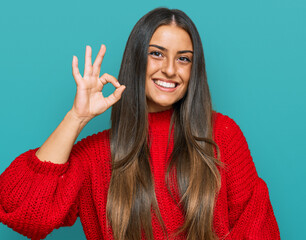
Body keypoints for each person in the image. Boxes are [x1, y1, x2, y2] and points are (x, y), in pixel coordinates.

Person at [0, 7, 280, 240]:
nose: (170, 69)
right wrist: (76, 118)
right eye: (156, 53)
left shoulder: (222, 135)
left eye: (183, 59)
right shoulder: (97, 155)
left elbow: (259, 229)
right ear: (136, 60)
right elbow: (20, 209)